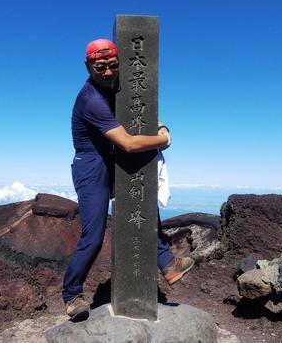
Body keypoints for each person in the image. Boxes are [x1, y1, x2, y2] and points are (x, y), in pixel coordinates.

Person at [62, 38, 194, 319]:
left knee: (143, 201)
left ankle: (168, 264)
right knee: (94, 235)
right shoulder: (91, 100)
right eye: (100, 67)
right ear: (88, 66)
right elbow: (130, 143)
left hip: (111, 159)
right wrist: (162, 140)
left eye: (112, 65)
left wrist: (160, 125)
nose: (108, 71)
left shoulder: (112, 89)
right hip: (91, 165)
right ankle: (71, 296)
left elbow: (137, 117)